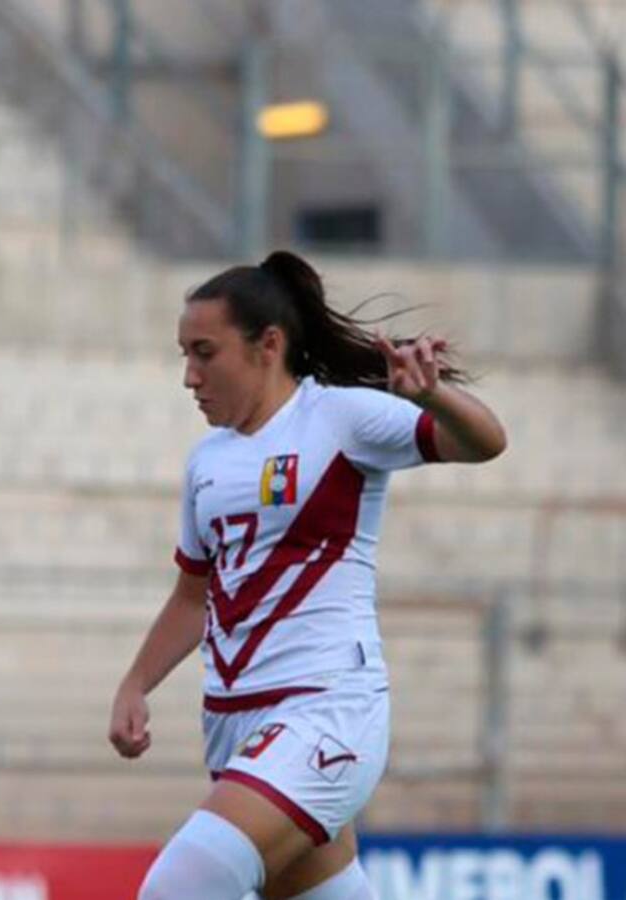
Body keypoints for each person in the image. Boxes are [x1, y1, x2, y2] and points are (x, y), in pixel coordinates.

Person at [109, 252, 507, 900]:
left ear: (268, 345)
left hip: (325, 710)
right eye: (184, 355)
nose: (189, 376)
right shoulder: (206, 463)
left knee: (179, 887)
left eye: (204, 353)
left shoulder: (341, 418)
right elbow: (193, 595)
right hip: (236, 726)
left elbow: (485, 442)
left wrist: (432, 395)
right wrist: (136, 682)